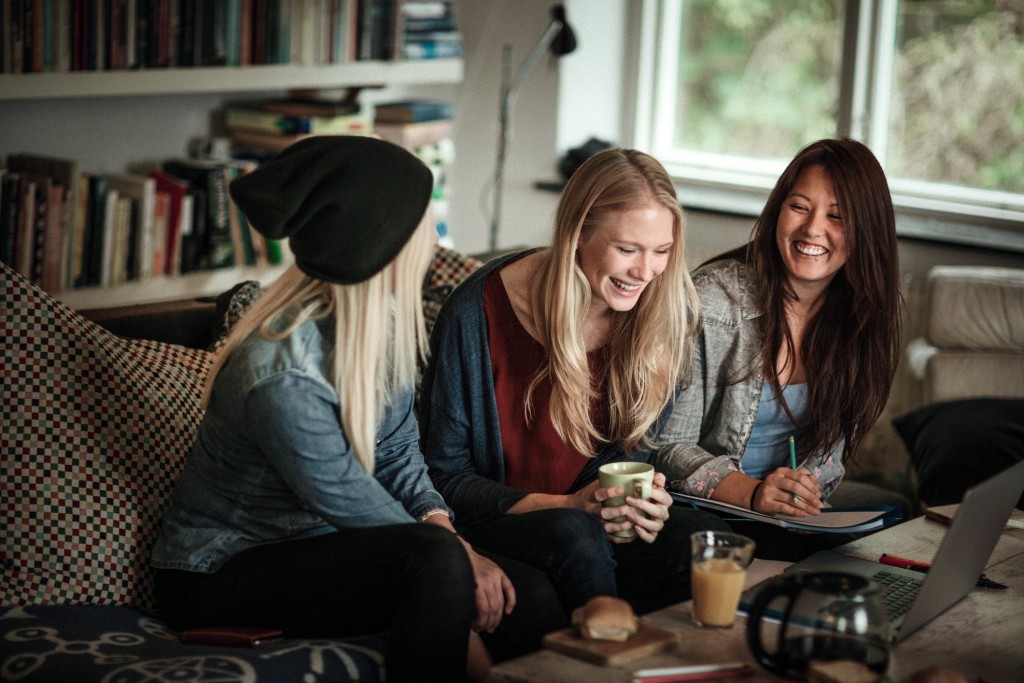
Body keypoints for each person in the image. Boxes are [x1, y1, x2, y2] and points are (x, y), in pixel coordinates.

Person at [150, 136, 564, 683]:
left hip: (328, 547)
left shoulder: (381, 326)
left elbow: (395, 454)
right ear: (378, 240)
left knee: (526, 594)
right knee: (439, 564)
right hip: (219, 572)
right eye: (424, 225)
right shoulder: (279, 373)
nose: (434, 239)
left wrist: (445, 529)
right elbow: (353, 501)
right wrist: (459, 557)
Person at [419, 147, 730, 616]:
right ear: (576, 233)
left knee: (705, 540)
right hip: (496, 520)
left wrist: (640, 503)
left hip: (589, 517)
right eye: (627, 249)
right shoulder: (475, 313)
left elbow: (632, 452)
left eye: (661, 251)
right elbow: (445, 478)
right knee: (573, 532)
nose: (645, 272)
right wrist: (568, 504)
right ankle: (607, 646)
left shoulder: (660, 310)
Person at [653, 137, 902, 561]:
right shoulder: (713, 302)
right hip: (708, 511)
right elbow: (663, 447)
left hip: (784, 519)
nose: (812, 229)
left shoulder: (859, 319)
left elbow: (828, 456)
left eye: (837, 216)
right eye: (799, 207)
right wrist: (753, 494)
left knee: (890, 535)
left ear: (866, 232)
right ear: (778, 209)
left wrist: (802, 490)